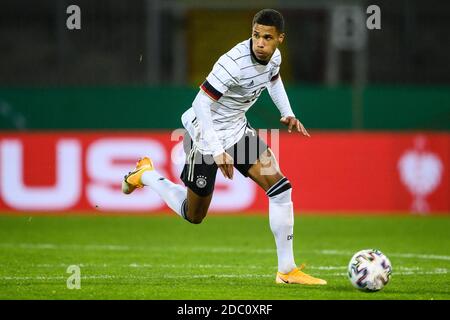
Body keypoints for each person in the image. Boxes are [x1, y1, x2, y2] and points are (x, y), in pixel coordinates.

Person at [122, 9, 326, 285]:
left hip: (237, 130)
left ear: (280, 38)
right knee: (193, 215)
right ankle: (144, 175)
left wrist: (287, 111)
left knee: (280, 188)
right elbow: (200, 104)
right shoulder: (232, 64)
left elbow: (274, 80)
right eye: (256, 35)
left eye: (267, 37)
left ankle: (286, 271)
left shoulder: (274, 58)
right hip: (204, 134)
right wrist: (217, 150)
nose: (260, 42)